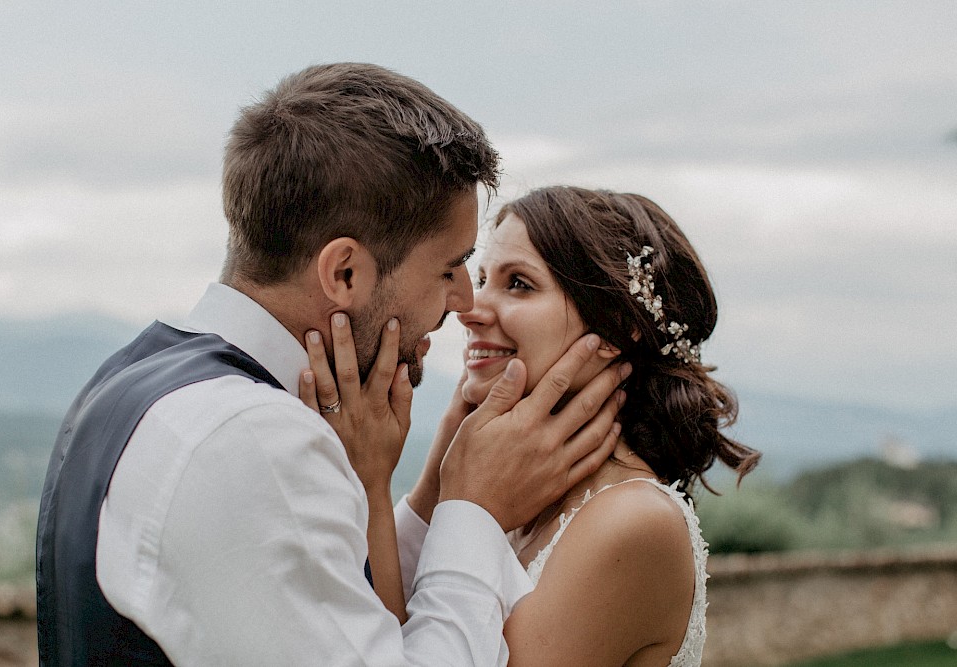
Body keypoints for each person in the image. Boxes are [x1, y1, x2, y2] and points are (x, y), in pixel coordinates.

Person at [35, 65, 629, 666]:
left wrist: (425, 493)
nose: (463, 303)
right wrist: (475, 511)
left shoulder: (133, 382)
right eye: (450, 268)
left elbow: (329, 612)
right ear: (345, 273)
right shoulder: (251, 440)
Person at [305, 185, 760, 666]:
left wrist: (374, 484)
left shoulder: (631, 522)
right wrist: (431, 489)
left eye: (518, 283)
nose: (469, 309)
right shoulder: (524, 493)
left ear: (614, 327)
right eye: (482, 278)